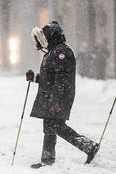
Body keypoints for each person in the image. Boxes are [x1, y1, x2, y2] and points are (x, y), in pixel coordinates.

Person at [26, 21, 99, 168]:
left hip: (59, 97)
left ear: (51, 37)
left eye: (44, 38)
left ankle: (88, 146)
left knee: (56, 126)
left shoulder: (62, 52)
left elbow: (61, 80)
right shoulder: (54, 51)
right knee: (50, 126)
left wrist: (55, 100)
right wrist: (34, 78)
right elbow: (50, 79)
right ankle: (47, 160)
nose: (42, 42)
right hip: (53, 96)